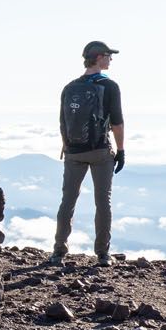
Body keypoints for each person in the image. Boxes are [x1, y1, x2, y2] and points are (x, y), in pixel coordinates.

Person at [51, 40, 125, 266]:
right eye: (108, 56)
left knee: (67, 202)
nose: (111, 59)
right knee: (103, 202)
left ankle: (58, 252)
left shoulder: (70, 87)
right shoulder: (109, 86)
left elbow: (63, 121)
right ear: (99, 57)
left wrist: (69, 148)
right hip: (100, 151)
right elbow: (117, 122)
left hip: (73, 152)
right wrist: (121, 150)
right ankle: (102, 254)